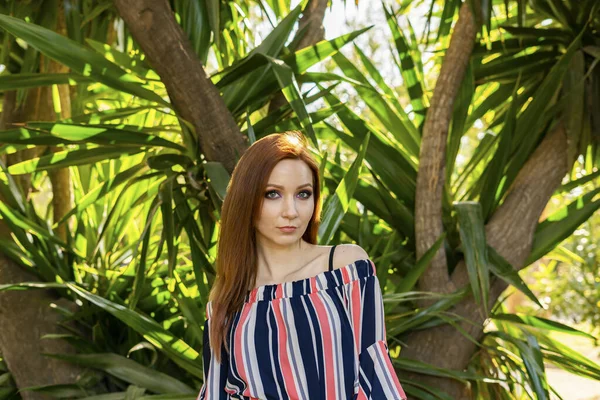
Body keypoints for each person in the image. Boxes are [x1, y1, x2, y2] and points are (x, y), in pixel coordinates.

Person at [198, 131, 407, 399]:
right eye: (272, 194)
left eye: (303, 194)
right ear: (246, 201)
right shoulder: (227, 300)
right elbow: (216, 392)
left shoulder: (345, 268)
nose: (291, 211)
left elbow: (375, 369)